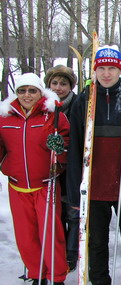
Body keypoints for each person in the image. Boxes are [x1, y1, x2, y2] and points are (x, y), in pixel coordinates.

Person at [66, 45, 121, 285]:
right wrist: (76, 192)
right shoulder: (84, 101)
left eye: (112, 68)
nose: (106, 74)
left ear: (120, 70)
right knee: (95, 241)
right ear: (94, 71)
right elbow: (74, 149)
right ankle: (99, 280)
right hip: (94, 186)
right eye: (102, 68)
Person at [0, 73, 70, 285]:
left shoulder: (53, 115)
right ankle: (36, 273)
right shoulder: (5, 118)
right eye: (22, 90)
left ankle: (56, 276)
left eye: (32, 90)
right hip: (17, 185)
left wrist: (60, 149)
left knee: (51, 234)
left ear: (40, 92)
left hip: (45, 184)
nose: (27, 95)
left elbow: (67, 147)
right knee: (25, 236)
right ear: (16, 94)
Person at [44, 65, 79, 272]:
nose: (58, 88)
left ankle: (71, 254)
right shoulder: (45, 107)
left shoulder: (78, 105)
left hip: (72, 167)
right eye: (54, 83)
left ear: (70, 86)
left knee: (72, 213)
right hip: (50, 169)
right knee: (55, 213)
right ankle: (57, 250)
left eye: (63, 84)